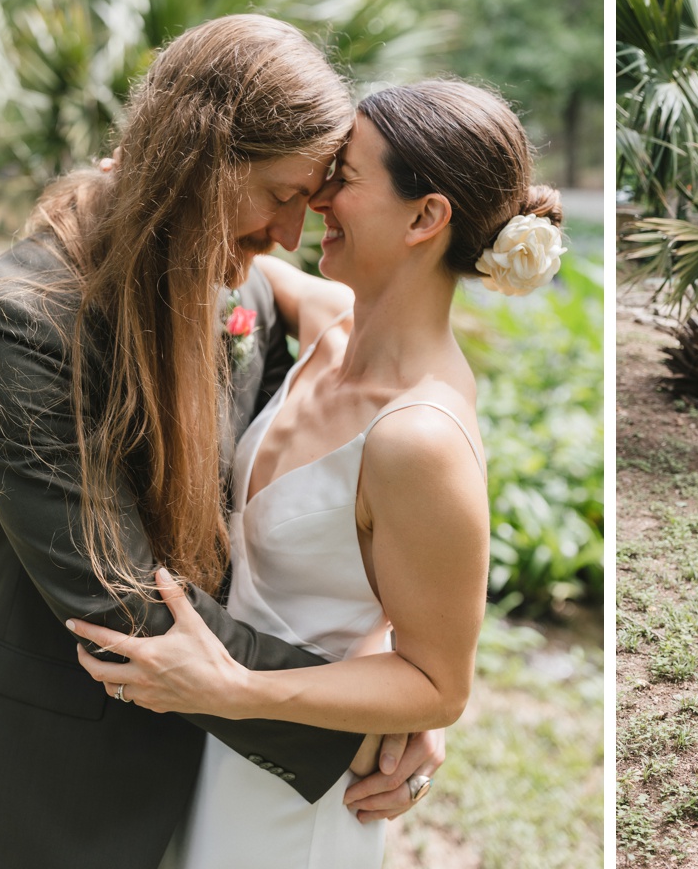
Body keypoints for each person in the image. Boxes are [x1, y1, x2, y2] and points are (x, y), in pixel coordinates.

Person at [0, 15, 438, 869]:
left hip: (219, 787)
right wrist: (371, 723)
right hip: (58, 796)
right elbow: (121, 606)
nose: (286, 237)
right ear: (197, 164)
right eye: (280, 197)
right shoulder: (13, 331)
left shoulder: (228, 276)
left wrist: (386, 688)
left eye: (307, 204)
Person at [68, 79, 566, 868]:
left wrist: (236, 691)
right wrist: (150, 185)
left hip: (292, 792)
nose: (317, 197)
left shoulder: (419, 437)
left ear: (426, 217)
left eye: (345, 175)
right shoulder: (333, 325)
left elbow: (441, 685)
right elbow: (243, 258)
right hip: (198, 754)